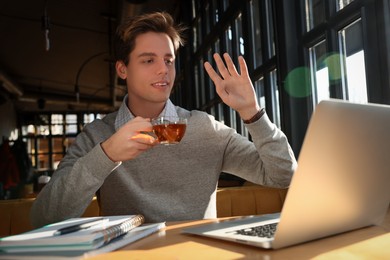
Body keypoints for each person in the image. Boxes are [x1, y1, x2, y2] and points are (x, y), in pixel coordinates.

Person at [30, 12, 297, 227]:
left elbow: (284, 175)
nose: (163, 69)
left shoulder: (205, 128)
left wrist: (252, 112)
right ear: (123, 69)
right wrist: (107, 154)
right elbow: (44, 218)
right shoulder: (97, 136)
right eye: (148, 60)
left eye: (169, 60)